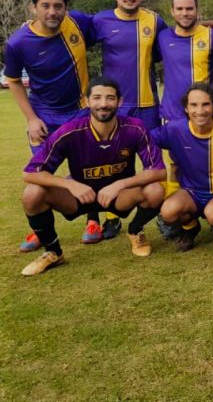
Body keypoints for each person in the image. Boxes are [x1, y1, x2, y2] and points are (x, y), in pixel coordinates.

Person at [19, 77, 166, 276]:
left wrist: (120, 184)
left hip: (117, 197)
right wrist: (71, 185)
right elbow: (30, 173)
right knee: (32, 194)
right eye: (97, 98)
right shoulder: (69, 131)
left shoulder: (135, 128)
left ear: (120, 102)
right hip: (80, 197)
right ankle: (53, 252)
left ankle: (135, 230)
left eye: (110, 98)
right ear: (86, 101)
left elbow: (158, 170)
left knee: (155, 190)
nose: (103, 104)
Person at [4, 0, 101, 250]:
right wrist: (31, 119)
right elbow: (12, 81)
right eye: (45, 6)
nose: (52, 11)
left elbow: (110, 24)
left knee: (85, 169)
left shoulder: (78, 23)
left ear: (66, 8)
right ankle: (39, 228)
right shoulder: (18, 42)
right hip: (45, 117)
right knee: (41, 174)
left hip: (81, 112)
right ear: (33, 8)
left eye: (58, 6)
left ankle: (93, 221)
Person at [91, 0, 167, 239]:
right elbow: (70, 32)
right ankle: (111, 215)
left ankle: (157, 214)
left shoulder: (154, 20)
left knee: (152, 162)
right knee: (114, 161)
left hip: (147, 103)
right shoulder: (100, 20)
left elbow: (169, 46)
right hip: (115, 106)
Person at [152, 83, 213, 252]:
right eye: (194, 105)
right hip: (191, 192)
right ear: (186, 108)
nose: (200, 110)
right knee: (168, 211)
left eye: (205, 104)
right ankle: (190, 228)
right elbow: (143, 138)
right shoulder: (174, 129)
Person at [157, 0, 213, 124]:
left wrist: (209, 22)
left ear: (197, 10)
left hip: (204, 113)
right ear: (172, 11)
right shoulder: (162, 36)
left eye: (189, 9)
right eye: (179, 9)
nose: (185, 13)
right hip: (172, 114)